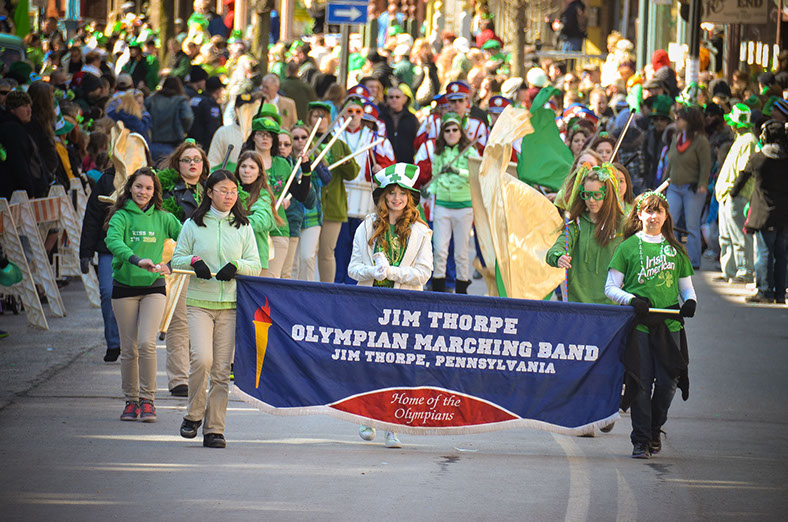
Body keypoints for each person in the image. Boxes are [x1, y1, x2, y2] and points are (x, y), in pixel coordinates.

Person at [172, 169, 262, 448]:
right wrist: (194, 261)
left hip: (231, 306)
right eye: (223, 190)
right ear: (209, 192)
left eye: (233, 191)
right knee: (202, 359)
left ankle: (214, 429)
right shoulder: (193, 224)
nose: (229, 195)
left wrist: (237, 266)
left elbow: (255, 265)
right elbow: (178, 258)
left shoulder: (243, 226)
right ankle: (193, 415)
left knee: (222, 370)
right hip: (199, 303)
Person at [605, 192, 697, 458]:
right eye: (648, 211)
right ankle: (641, 440)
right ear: (639, 215)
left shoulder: (676, 250)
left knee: (669, 383)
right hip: (640, 325)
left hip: (670, 326)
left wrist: (690, 302)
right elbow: (610, 287)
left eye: (659, 212)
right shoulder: (627, 247)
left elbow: (687, 289)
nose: (654, 216)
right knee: (641, 382)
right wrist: (632, 299)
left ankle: (655, 428)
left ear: (666, 216)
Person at [348, 163, 433, 448]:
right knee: (371, 363)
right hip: (371, 304)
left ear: (410, 197)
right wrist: (372, 272)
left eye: (402, 193)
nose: (396, 198)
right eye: (391, 193)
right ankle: (367, 416)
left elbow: (424, 273)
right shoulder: (366, 226)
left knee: (398, 367)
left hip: (405, 307)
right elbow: (352, 268)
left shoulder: (422, 232)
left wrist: (393, 273)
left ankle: (393, 425)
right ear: (382, 197)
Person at [105, 167, 182, 422]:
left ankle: (148, 401)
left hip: (154, 288)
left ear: (155, 191)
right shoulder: (120, 216)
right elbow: (113, 242)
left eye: (148, 188)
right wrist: (136, 260)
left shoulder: (163, 217)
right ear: (130, 188)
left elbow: (188, 239)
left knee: (147, 343)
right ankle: (131, 401)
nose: (143, 192)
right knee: (129, 349)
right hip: (124, 288)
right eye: (139, 186)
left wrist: (171, 265)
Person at [159, 141, 211, 397]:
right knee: (179, 320)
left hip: (210, 263)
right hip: (180, 261)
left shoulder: (212, 190)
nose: (192, 164)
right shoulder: (167, 192)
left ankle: (198, 374)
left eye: (197, 159)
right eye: (187, 159)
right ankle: (178, 378)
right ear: (177, 164)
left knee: (203, 320)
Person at [546, 163, 624, 304]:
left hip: (612, 305)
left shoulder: (622, 225)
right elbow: (556, 249)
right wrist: (558, 257)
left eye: (597, 195)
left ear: (607, 195)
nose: (591, 200)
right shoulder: (576, 223)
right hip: (578, 305)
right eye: (587, 194)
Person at [731, 121, 788, 304]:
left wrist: (732, 193)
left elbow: (742, 177)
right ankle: (780, 293)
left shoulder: (758, 158)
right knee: (781, 254)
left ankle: (764, 291)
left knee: (764, 253)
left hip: (763, 214)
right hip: (785, 214)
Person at [427, 112, 481, 294]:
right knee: (440, 249)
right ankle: (438, 288)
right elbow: (435, 179)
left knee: (461, 252)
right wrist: (429, 191)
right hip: (442, 205)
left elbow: (477, 175)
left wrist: (456, 171)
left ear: (460, 132)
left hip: (464, 207)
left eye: (454, 130)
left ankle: (461, 290)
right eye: (447, 130)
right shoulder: (438, 153)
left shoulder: (470, 151)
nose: (451, 133)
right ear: (442, 133)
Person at [309, 101, 360, 283]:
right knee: (307, 253)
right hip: (309, 206)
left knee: (327, 252)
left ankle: (327, 290)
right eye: (316, 116)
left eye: (324, 117)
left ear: (330, 120)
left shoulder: (338, 143)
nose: (320, 120)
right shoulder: (305, 141)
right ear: (310, 119)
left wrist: (346, 163)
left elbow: (353, 173)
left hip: (333, 205)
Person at [80, 168, 121, 362]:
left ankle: (134, 342)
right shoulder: (107, 179)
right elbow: (93, 217)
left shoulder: (151, 177)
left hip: (142, 248)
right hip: (109, 248)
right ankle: (114, 343)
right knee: (107, 292)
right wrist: (85, 253)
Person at [714, 104, 758, 284]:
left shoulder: (748, 140)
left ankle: (744, 270)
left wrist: (734, 191)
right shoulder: (740, 139)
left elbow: (745, 168)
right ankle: (729, 270)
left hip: (736, 195)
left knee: (739, 235)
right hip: (727, 195)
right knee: (725, 236)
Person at [664, 107, 711, 269]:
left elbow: (706, 164)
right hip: (674, 187)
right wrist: (665, 182)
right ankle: (673, 258)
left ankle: (693, 262)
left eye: (679, 119)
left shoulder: (700, 141)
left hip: (693, 189)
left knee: (692, 226)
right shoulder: (677, 137)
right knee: (670, 222)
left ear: (689, 122)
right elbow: (670, 162)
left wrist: (703, 184)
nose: (676, 122)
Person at [235, 150, 285, 273]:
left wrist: (233, 222)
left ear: (259, 172)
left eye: (252, 167)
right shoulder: (231, 191)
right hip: (233, 257)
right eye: (243, 166)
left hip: (256, 260)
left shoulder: (263, 195)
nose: (247, 171)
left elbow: (261, 221)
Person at [146, 77, 195, 163]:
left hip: (152, 143)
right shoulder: (181, 100)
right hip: (173, 143)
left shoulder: (152, 99)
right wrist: (183, 130)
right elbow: (188, 117)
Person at [382, 86, 420, 164]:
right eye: (391, 97)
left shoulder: (412, 118)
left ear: (404, 99)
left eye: (397, 97)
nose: (394, 100)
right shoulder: (381, 118)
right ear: (386, 99)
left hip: (406, 162)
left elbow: (417, 140)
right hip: (386, 162)